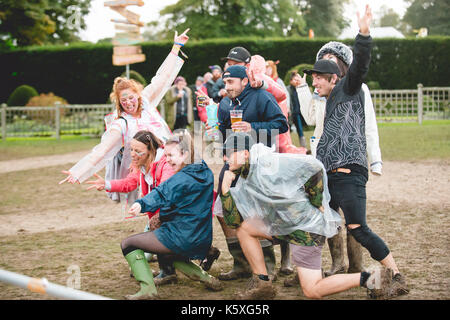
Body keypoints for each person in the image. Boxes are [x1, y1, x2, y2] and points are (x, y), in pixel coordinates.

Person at [300, 5, 408, 298]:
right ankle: (314, 272)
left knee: (358, 228)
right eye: (313, 77)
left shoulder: (350, 90)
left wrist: (363, 33)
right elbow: (314, 126)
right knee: (314, 220)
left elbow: (360, 63)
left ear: (334, 78)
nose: (315, 81)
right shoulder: (326, 101)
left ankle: (396, 275)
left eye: (319, 77)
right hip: (328, 176)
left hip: (349, 174)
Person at [219, 131, 394, 300]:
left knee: (312, 290)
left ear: (245, 153)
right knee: (245, 229)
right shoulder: (243, 176)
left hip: (305, 228)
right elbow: (234, 223)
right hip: (283, 226)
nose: (225, 159)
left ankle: (371, 277)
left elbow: (313, 165)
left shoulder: (269, 163)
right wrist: (225, 190)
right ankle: (262, 284)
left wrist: (317, 200)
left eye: (228, 154)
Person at [295, 20, 383, 279]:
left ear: (343, 64)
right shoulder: (320, 90)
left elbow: (370, 125)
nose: (327, 63)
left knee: (353, 217)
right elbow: (310, 119)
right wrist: (302, 89)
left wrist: (375, 159)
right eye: (324, 59)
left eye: (333, 59)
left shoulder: (357, 89)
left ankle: (356, 266)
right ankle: (337, 263)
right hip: (322, 160)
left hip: (347, 159)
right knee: (327, 212)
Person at [59, 28, 191, 187]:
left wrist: (176, 47)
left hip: (172, 162)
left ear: (138, 95)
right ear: (119, 102)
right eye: (123, 100)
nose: (128, 103)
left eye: (131, 98)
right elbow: (101, 151)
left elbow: (162, 79)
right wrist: (78, 171)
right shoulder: (121, 124)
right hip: (151, 175)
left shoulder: (147, 102)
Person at [121, 131, 223, 299]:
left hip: (182, 236)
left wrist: (141, 204)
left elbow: (161, 193)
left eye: (171, 155)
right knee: (168, 249)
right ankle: (206, 278)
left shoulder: (181, 179)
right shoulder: (204, 171)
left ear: (186, 154)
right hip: (201, 237)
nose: (167, 159)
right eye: (165, 155)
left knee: (128, 244)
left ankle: (148, 291)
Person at [287, 71, 307, 148]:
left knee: (300, 131)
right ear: (291, 81)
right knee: (287, 131)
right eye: (294, 80)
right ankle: (288, 146)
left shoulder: (300, 89)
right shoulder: (288, 89)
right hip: (290, 114)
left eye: (297, 79)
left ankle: (304, 147)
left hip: (298, 113)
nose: (296, 81)